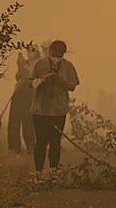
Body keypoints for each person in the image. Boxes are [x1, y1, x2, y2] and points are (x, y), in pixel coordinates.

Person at [29, 40, 81, 180]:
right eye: (54, 54)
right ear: (50, 51)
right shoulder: (40, 64)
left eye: (60, 55)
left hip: (58, 109)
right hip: (40, 108)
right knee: (40, 140)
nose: (56, 57)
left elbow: (72, 86)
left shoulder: (68, 66)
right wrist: (41, 81)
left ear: (64, 54)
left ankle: (53, 170)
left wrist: (59, 81)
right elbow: (30, 82)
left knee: (55, 140)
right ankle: (38, 171)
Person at [7, 46, 39, 154]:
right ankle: (14, 147)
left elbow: (33, 78)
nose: (29, 53)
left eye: (32, 51)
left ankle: (30, 146)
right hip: (19, 93)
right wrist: (20, 67)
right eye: (28, 51)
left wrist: (23, 69)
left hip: (30, 95)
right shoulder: (24, 63)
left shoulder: (39, 64)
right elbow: (18, 77)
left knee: (28, 121)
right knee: (14, 120)